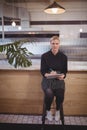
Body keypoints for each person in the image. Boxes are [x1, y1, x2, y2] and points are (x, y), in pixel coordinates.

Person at [40, 35, 68, 122]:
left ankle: (58, 111)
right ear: (50, 44)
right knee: (49, 93)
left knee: (60, 94)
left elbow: (65, 71)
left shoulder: (63, 57)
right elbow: (43, 71)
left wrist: (63, 75)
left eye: (56, 43)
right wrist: (49, 74)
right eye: (53, 43)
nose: (55, 45)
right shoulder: (44, 56)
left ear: (59, 44)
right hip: (47, 79)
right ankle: (48, 111)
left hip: (59, 80)